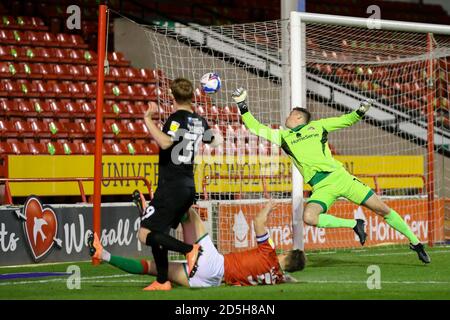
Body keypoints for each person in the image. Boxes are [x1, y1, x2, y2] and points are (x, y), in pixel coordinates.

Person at [231, 87, 430, 264]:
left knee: (382, 209)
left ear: (299, 117)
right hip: (322, 187)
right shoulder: (283, 136)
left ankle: (415, 242)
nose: (287, 117)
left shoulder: (318, 126)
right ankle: (354, 224)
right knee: (309, 217)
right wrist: (242, 104)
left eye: (291, 114)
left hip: (341, 178)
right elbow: (255, 128)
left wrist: (360, 111)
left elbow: (345, 120)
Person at [126, 77, 221, 291]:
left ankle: (189, 249)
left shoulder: (175, 119)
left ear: (171, 95)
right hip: (188, 186)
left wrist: (148, 119)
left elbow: (165, 142)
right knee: (160, 233)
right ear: (193, 96)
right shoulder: (199, 120)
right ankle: (162, 281)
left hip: (172, 186)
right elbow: (214, 141)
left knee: (144, 233)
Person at [87, 200, 305, 288]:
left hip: (214, 262)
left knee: (189, 212)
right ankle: (102, 254)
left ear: (285, 253)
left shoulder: (269, 254)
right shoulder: (277, 278)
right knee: (152, 268)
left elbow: (258, 222)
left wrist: (267, 208)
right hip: (207, 281)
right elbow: (288, 277)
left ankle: (152, 214)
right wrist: (290, 276)